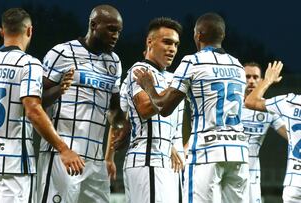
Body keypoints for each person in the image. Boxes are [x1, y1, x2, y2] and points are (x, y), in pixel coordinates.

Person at [0, 8, 84, 203]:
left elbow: (15, 100)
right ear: (29, 31)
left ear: (2, 31)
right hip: (14, 163)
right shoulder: (29, 64)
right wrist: (64, 149)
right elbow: (33, 110)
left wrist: (56, 90)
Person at [134, 12, 249, 202]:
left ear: (198, 35)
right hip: (239, 151)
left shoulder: (193, 61)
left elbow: (163, 107)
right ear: (222, 36)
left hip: (207, 150)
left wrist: (148, 85)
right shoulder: (237, 66)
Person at [37, 4, 126, 203]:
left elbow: (112, 110)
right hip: (63, 155)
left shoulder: (114, 63)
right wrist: (59, 89)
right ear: (94, 25)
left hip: (95, 161)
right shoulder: (62, 53)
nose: (116, 36)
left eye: (118, 31)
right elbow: (36, 101)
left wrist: (121, 123)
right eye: (111, 29)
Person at [110, 17, 184, 203]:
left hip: (167, 163)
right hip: (147, 161)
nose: (172, 49)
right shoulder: (140, 70)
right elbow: (143, 109)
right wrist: (182, 83)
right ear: (149, 42)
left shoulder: (174, 78)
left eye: (175, 44)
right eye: (166, 42)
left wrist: (171, 146)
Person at [245, 61, 301, 203]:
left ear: (261, 79)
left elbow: (291, 136)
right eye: (247, 76)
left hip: (252, 174)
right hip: (224, 167)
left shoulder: (279, 106)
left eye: (256, 77)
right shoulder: (226, 105)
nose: (251, 81)